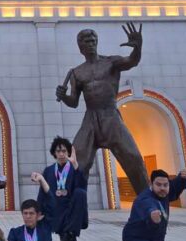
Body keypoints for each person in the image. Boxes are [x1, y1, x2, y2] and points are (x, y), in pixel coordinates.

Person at [55, 23, 151, 196]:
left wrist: (137, 47)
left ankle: (148, 203)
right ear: (80, 47)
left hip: (110, 116)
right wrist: (63, 96)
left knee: (133, 158)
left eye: (93, 40)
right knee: (74, 162)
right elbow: (74, 102)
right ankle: (69, 206)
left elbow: (132, 61)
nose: (90, 43)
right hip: (90, 119)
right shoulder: (76, 72)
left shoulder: (111, 62)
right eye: (86, 41)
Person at [36, 136, 89, 241]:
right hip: (55, 215)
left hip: (71, 216)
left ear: (68, 153)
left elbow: (82, 189)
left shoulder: (74, 169)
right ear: (54, 153)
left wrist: (76, 167)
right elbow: (43, 193)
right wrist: (38, 212)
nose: (61, 153)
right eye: (58, 150)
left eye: (64, 150)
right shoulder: (48, 171)